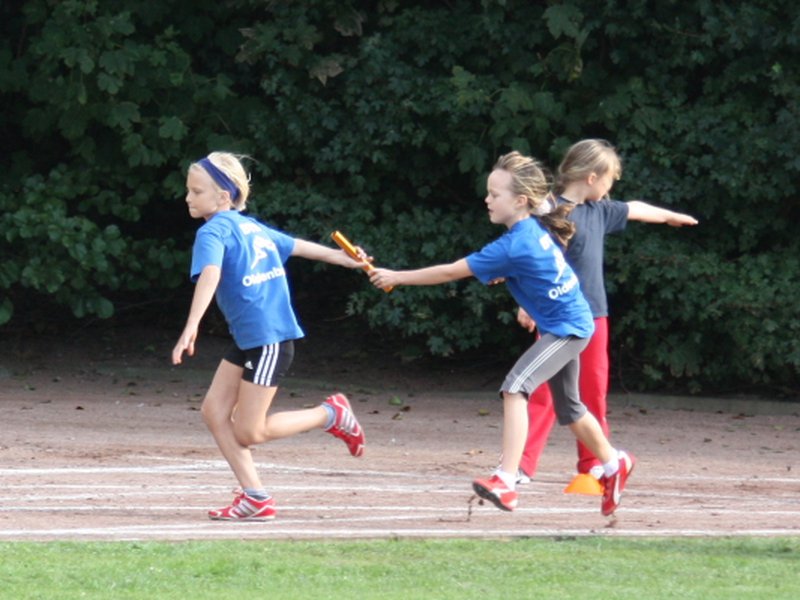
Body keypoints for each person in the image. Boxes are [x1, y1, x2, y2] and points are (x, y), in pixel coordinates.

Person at [368, 151, 634, 516]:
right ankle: (614, 463)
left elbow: (450, 272)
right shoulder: (532, 225)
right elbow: (530, 264)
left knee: (515, 388)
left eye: (495, 194)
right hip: (572, 323)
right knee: (571, 408)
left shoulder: (516, 243)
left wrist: (397, 277)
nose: (487, 200)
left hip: (567, 328)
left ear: (521, 200)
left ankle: (507, 481)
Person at [172, 151, 366, 521]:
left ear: (223, 197)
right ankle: (256, 497)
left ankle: (330, 414)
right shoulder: (251, 228)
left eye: (196, 192)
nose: (188, 198)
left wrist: (191, 325)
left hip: (268, 341)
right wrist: (343, 257)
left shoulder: (212, 231)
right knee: (214, 411)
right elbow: (297, 245)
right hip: (252, 338)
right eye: (189, 190)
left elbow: (210, 274)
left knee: (250, 432)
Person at [516, 139, 698, 487]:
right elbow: (531, 262)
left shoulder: (600, 211)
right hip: (556, 318)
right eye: (609, 180)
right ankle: (521, 465)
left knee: (592, 393)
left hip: (594, 318)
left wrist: (669, 217)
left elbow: (635, 208)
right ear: (591, 177)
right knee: (542, 393)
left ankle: (594, 465)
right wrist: (527, 304)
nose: (610, 188)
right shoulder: (548, 212)